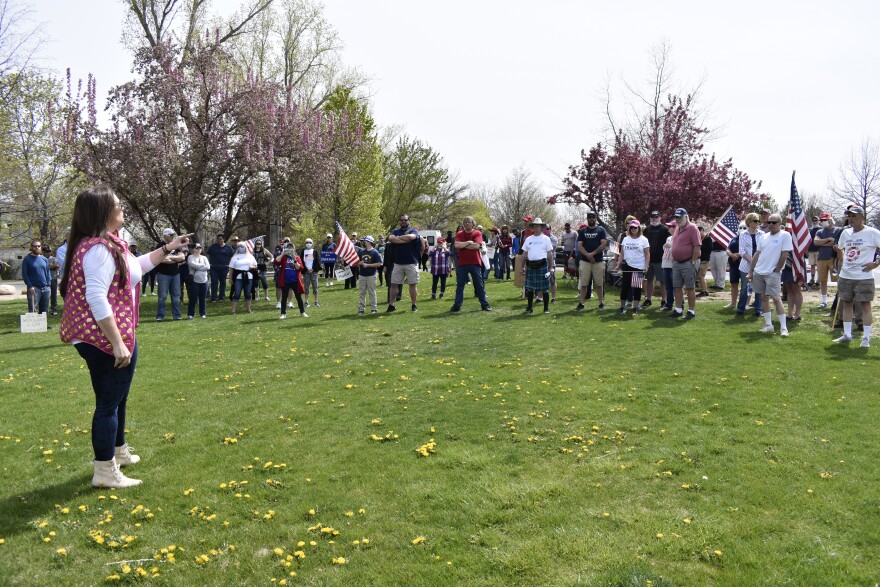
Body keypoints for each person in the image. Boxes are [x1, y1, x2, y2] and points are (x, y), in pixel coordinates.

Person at [58, 185, 192, 488]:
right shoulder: (97, 250)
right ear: (104, 212)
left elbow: (136, 268)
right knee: (108, 402)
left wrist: (167, 248)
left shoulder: (110, 243)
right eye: (118, 205)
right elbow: (96, 297)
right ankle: (105, 471)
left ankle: (117, 451)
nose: (123, 209)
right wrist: (117, 343)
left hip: (112, 335)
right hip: (102, 339)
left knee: (119, 397)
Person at [833, 206, 880, 347]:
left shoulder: (872, 233)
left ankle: (866, 338)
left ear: (862, 217)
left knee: (865, 305)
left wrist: (876, 263)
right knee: (846, 303)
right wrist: (841, 260)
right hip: (846, 275)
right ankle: (847, 334)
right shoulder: (845, 233)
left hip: (864, 276)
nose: (851, 219)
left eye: (854, 216)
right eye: (849, 216)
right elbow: (839, 247)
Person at [748, 213, 792, 337]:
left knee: (777, 299)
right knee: (763, 298)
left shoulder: (785, 235)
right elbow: (757, 254)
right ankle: (768, 325)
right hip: (759, 271)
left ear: (780, 224)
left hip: (772, 272)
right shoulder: (764, 236)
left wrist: (777, 270)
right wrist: (751, 271)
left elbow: (784, 254)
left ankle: (784, 328)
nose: (771, 225)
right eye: (769, 223)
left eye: (774, 223)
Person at [451, 216, 492, 313]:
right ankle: (457, 306)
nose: (466, 223)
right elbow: (456, 245)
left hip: (475, 263)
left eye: (468, 222)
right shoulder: (459, 233)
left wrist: (463, 245)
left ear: (473, 223)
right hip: (462, 263)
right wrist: (468, 243)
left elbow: (477, 246)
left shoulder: (477, 233)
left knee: (479, 285)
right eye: (465, 222)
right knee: (460, 286)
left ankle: (484, 304)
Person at [668, 208, 701, 320]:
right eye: (676, 217)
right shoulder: (677, 228)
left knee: (690, 288)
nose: (678, 219)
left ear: (686, 217)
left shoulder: (693, 228)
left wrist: (693, 261)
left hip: (688, 262)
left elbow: (697, 246)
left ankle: (691, 311)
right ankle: (678, 309)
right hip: (677, 263)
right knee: (677, 287)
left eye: (680, 217)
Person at [614, 219, 650, 314]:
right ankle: (622, 307)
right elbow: (621, 253)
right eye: (632, 227)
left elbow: (647, 254)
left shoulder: (644, 239)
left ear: (639, 228)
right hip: (627, 266)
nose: (633, 229)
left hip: (639, 266)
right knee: (625, 287)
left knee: (637, 287)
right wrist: (618, 264)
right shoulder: (626, 239)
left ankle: (635, 307)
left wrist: (646, 265)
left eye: (635, 227)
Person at [387, 214, 421, 313]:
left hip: (411, 262)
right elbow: (391, 239)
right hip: (398, 263)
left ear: (408, 221)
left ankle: (414, 305)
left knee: (412, 285)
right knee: (393, 285)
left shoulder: (413, 230)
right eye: (401, 220)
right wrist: (404, 240)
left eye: (405, 220)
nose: (403, 222)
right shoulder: (395, 231)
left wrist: (398, 239)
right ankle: (391, 305)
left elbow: (411, 237)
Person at [575, 211, 608, 310]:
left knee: (599, 283)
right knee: (584, 283)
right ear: (587, 218)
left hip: (598, 260)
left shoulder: (601, 230)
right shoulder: (582, 231)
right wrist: (587, 255)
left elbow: (603, 244)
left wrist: (592, 254)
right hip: (585, 261)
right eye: (589, 217)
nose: (591, 219)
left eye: (593, 217)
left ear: (596, 218)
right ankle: (581, 303)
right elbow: (580, 246)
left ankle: (601, 303)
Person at [521, 218, 554, 314]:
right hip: (530, 265)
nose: (536, 228)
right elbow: (524, 254)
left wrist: (551, 267)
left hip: (542, 265)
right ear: (533, 227)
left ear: (541, 228)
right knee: (530, 288)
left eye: (538, 226)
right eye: (535, 226)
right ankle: (529, 308)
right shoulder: (528, 239)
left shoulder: (546, 239)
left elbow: (549, 254)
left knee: (544, 288)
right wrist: (522, 267)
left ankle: (546, 308)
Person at [155, 228, 184, 321]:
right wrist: (175, 258)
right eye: (171, 235)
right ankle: (160, 316)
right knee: (162, 297)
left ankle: (177, 315)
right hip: (163, 275)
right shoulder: (159, 246)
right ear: (166, 236)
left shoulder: (175, 245)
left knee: (176, 296)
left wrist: (170, 257)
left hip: (175, 274)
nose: (173, 237)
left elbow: (182, 257)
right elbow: (161, 260)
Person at [736, 213, 762, 317]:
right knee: (744, 288)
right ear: (749, 222)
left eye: (757, 221)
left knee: (758, 288)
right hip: (745, 266)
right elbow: (741, 251)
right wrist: (752, 261)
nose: (756, 223)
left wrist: (757, 262)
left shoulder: (762, 234)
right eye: (755, 221)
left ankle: (758, 309)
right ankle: (740, 308)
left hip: (759, 266)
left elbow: (763, 249)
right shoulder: (743, 234)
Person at [643, 211, 669, 307]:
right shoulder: (646, 230)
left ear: (660, 218)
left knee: (662, 281)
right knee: (649, 280)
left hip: (661, 260)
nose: (654, 219)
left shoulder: (665, 229)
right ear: (650, 218)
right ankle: (648, 299)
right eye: (652, 217)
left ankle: (664, 300)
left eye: (656, 217)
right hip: (649, 260)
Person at [275, 242, 308, 319]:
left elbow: (299, 268)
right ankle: (283, 314)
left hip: (295, 281)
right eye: (288, 248)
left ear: (294, 249)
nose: (290, 249)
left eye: (291, 248)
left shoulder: (297, 257)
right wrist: (283, 253)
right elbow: (276, 262)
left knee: (298, 297)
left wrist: (295, 260)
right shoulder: (284, 257)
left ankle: (302, 312)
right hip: (285, 280)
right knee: (284, 298)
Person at [813, 212, 837, 308]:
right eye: (821, 220)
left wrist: (823, 243)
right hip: (821, 258)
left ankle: (837, 300)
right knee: (823, 280)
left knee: (837, 279)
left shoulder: (837, 230)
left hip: (833, 258)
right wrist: (828, 240)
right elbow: (816, 242)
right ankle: (824, 301)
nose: (823, 222)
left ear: (830, 220)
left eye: (825, 220)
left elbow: (836, 243)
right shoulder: (819, 232)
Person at [228, 241, 257, 314]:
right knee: (237, 293)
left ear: (246, 248)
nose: (241, 248)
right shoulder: (235, 257)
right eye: (239, 247)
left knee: (247, 293)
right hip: (238, 277)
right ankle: (233, 310)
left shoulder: (250, 256)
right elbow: (231, 268)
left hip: (248, 277)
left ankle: (249, 309)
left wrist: (252, 267)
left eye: (243, 247)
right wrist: (230, 278)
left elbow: (255, 266)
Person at [23, 239, 51, 314]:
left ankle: (43, 325)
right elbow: (24, 274)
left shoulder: (44, 259)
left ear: (41, 247)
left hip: (45, 289)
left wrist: (48, 285)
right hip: (34, 289)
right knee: (33, 310)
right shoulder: (27, 259)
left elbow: (48, 272)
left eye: (38, 246)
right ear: (32, 247)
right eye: (35, 246)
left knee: (44, 310)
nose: (37, 247)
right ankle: (34, 326)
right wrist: (30, 286)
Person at [357, 236, 383, 315]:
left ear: (369, 242)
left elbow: (379, 263)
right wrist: (360, 263)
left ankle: (373, 308)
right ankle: (361, 309)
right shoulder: (362, 252)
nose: (364, 242)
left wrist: (368, 265)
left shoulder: (375, 252)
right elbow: (357, 262)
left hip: (371, 275)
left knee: (372, 292)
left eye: (365, 241)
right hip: (362, 275)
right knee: (362, 292)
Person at [186, 243, 210, 319]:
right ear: (193, 249)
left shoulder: (204, 258)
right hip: (194, 280)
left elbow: (208, 267)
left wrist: (199, 267)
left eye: (200, 248)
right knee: (193, 298)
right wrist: (203, 266)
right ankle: (190, 314)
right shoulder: (190, 257)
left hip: (204, 280)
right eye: (197, 248)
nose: (198, 249)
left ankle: (202, 313)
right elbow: (193, 265)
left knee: (202, 298)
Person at [207, 234, 233, 302]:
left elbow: (231, 256)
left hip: (224, 268)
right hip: (214, 268)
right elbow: (209, 255)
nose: (219, 240)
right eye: (218, 239)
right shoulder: (213, 247)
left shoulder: (228, 248)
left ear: (223, 239)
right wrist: (209, 263)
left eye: (220, 239)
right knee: (214, 282)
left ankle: (221, 297)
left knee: (223, 282)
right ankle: (214, 298)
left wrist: (229, 264)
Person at [300, 237, 322, 308]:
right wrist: (306, 269)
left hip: (314, 272)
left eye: (310, 242)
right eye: (307, 242)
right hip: (306, 272)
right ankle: (306, 302)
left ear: (312, 244)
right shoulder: (303, 252)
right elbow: (301, 262)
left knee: (315, 287)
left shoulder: (315, 252)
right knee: (306, 287)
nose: (308, 244)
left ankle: (316, 301)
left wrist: (313, 269)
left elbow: (318, 262)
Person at [724, 232, 741, 309]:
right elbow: (728, 249)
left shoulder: (749, 238)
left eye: (744, 227)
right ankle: (733, 303)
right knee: (734, 283)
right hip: (733, 264)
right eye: (741, 227)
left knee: (746, 285)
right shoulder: (734, 238)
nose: (742, 229)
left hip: (744, 263)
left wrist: (738, 254)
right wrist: (731, 255)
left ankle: (746, 303)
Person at [43, 244, 60, 316]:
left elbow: (56, 265)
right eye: (47, 251)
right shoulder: (41, 258)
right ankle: (44, 310)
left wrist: (48, 266)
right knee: (45, 296)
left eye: (49, 251)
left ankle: (54, 310)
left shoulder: (54, 258)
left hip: (53, 278)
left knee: (53, 295)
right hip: (44, 279)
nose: (48, 253)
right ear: (43, 252)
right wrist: (50, 266)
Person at [697, 226, 712, 297]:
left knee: (701, 276)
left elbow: (709, 248)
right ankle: (704, 290)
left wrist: (700, 246)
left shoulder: (707, 238)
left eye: (699, 231)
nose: (698, 233)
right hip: (699, 259)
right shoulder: (699, 239)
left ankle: (704, 291)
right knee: (700, 276)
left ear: (702, 230)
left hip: (705, 260)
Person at [807, 215, 821, 288]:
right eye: (813, 220)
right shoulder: (809, 230)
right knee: (812, 265)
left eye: (816, 220)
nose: (815, 221)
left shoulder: (821, 230)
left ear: (819, 221)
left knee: (819, 266)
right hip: (811, 250)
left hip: (819, 250)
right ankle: (812, 279)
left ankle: (818, 280)